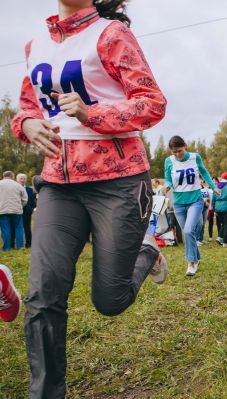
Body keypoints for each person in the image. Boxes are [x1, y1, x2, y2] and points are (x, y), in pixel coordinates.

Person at [10, 1, 168, 396]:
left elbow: (151, 103)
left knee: (110, 299)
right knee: (43, 294)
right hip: (57, 184)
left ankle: (147, 249)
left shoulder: (111, 34)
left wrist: (91, 113)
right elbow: (27, 107)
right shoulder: (35, 46)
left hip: (118, 181)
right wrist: (26, 123)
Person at [164, 135, 218, 276]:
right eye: (174, 152)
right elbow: (169, 179)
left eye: (179, 151)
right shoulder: (168, 161)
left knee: (188, 231)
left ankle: (191, 263)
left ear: (185, 146)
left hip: (195, 201)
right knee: (188, 233)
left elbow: (204, 172)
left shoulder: (195, 157)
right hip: (178, 204)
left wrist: (213, 186)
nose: (177, 154)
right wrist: (167, 187)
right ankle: (197, 258)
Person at [0, 171, 28, 251]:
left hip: (2, 210)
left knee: (5, 229)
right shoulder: (18, 185)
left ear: (3, 176)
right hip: (16, 210)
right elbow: (25, 199)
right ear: (12, 176)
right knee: (18, 228)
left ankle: (7, 247)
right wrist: (20, 206)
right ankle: (20, 246)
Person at [16, 173, 36, 248]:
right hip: (17, 211)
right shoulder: (15, 188)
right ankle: (16, 245)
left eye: (24, 178)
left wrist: (32, 208)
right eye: (21, 178)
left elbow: (33, 200)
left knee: (27, 228)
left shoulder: (30, 189)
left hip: (27, 212)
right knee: (17, 228)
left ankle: (29, 244)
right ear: (17, 180)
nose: (23, 180)